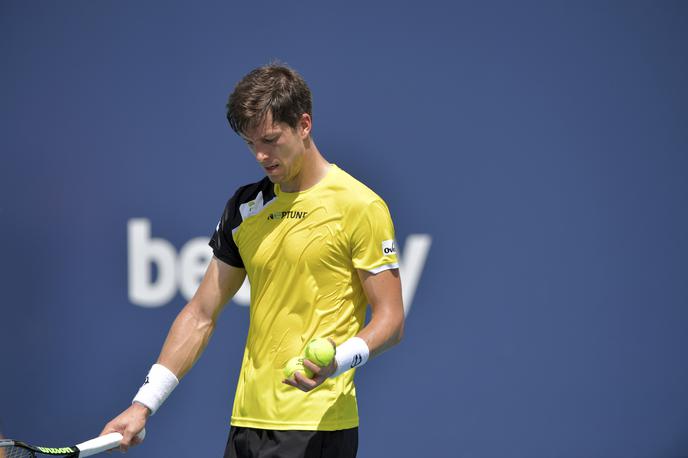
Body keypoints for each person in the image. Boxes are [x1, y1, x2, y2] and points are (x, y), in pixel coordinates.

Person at [101, 63, 405, 458]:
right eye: (250, 144)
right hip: (247, 425)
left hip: (317, 427)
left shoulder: (360, 206)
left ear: (304, 124)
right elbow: (201, 313)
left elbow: (391, 320)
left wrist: (338, 361)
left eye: (271, 140)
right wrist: (143, 405)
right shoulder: (246, 206)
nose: (261, 155)